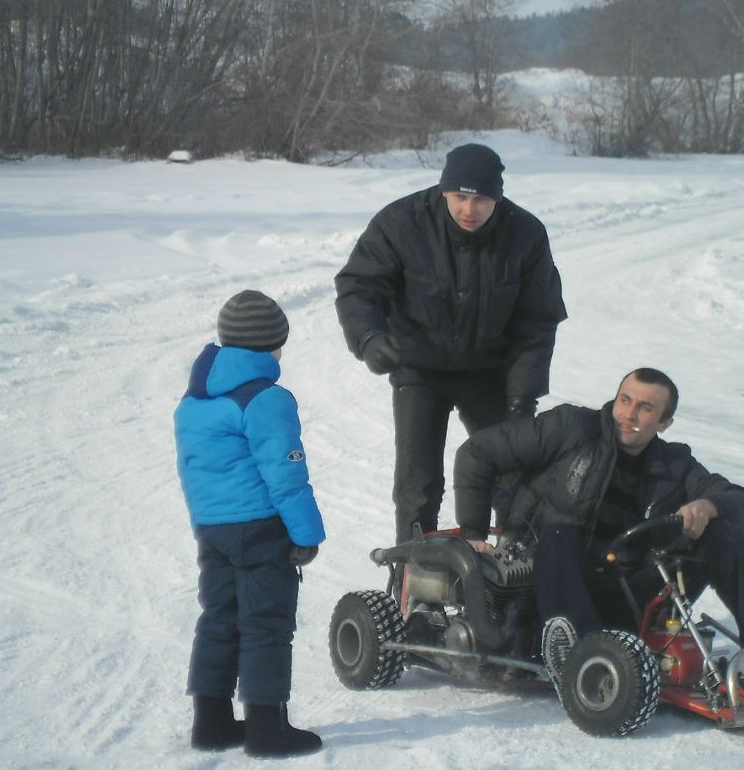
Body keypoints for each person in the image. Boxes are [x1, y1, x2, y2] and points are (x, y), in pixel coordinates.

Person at [453, 367, 744, 682]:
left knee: (723, 533)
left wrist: (708, 506)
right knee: (559, 530)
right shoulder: (571, 427)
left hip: (626, 593)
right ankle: (585, 655)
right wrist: (473, 534)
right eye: (625, 400)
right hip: (546, 584)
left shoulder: (674, 465)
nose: (629, 414)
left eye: (645, 408)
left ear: (664, 423)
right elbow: (478, 453)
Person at [335, 143, 568, 544]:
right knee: (417, 482)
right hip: (420, 370)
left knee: (512, 472)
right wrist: (370, 337)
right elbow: (359, 285)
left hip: (489, 373)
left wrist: (521, 399)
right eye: (460, 197)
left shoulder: (525, 234)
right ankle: (409, 577)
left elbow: (538, 321)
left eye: (481, 199)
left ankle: (516, 566)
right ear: (444, 190)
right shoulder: (402, 223)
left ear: (497, 196)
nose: (469, 210)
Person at [174, 290, 326, 758]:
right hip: (261, 528)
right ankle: (266, 730)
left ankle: (212, 723)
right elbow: (285, 473)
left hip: (213, 528)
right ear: (271, 344)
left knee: (220, 618)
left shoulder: (194, 401)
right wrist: (306, 535)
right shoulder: (266, 399)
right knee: (266, 623)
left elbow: (195, 469)